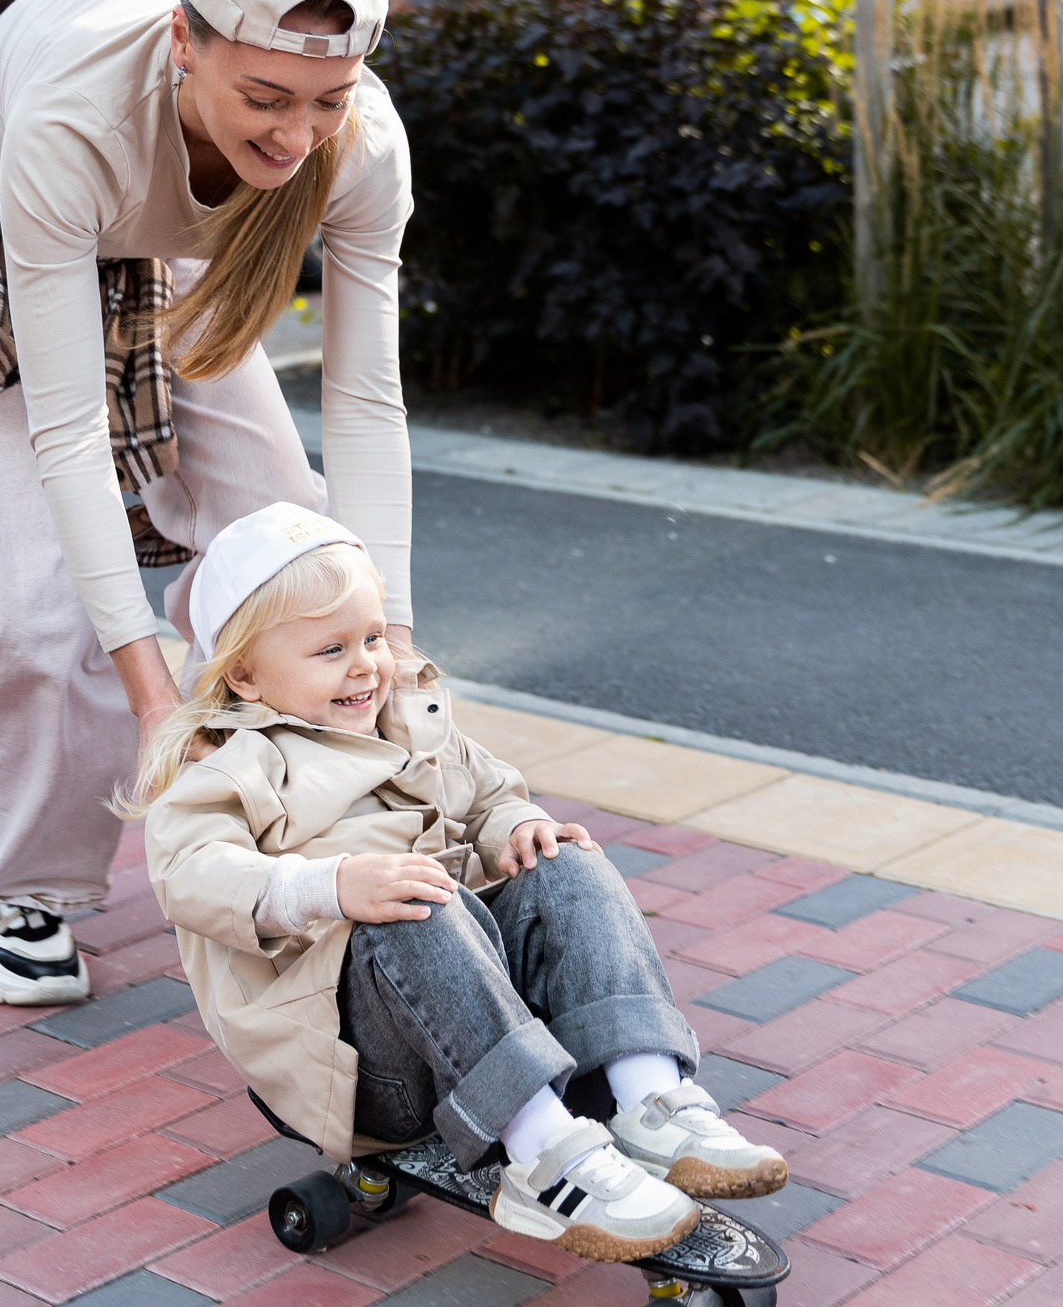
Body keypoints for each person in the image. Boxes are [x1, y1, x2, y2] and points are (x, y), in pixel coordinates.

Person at [0, 0, 417, 1006]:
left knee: (293, 559)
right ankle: (21, 888)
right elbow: (70, 436)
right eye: (267, 95)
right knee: (46, 617)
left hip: (168, 215)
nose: (298, 135)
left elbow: (366, 406)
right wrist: (155, 696)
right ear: (183, 42)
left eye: (327, 99)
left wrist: (389, 641)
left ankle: (272, 835)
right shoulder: (80, 119)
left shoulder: (347, 142)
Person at [132, 504, 790, 1260]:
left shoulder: (411, 715)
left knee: (565, 863)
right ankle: (546, 1156)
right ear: (244, 672)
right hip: (372, 1068)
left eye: (373, 637)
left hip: (481, 1018)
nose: (365, 665)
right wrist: (331, 884)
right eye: (330, 648)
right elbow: (190, 872)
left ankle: (650, 1099)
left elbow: (488, 791)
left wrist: (515, 823)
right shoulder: (236, 766)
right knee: (408, 904)